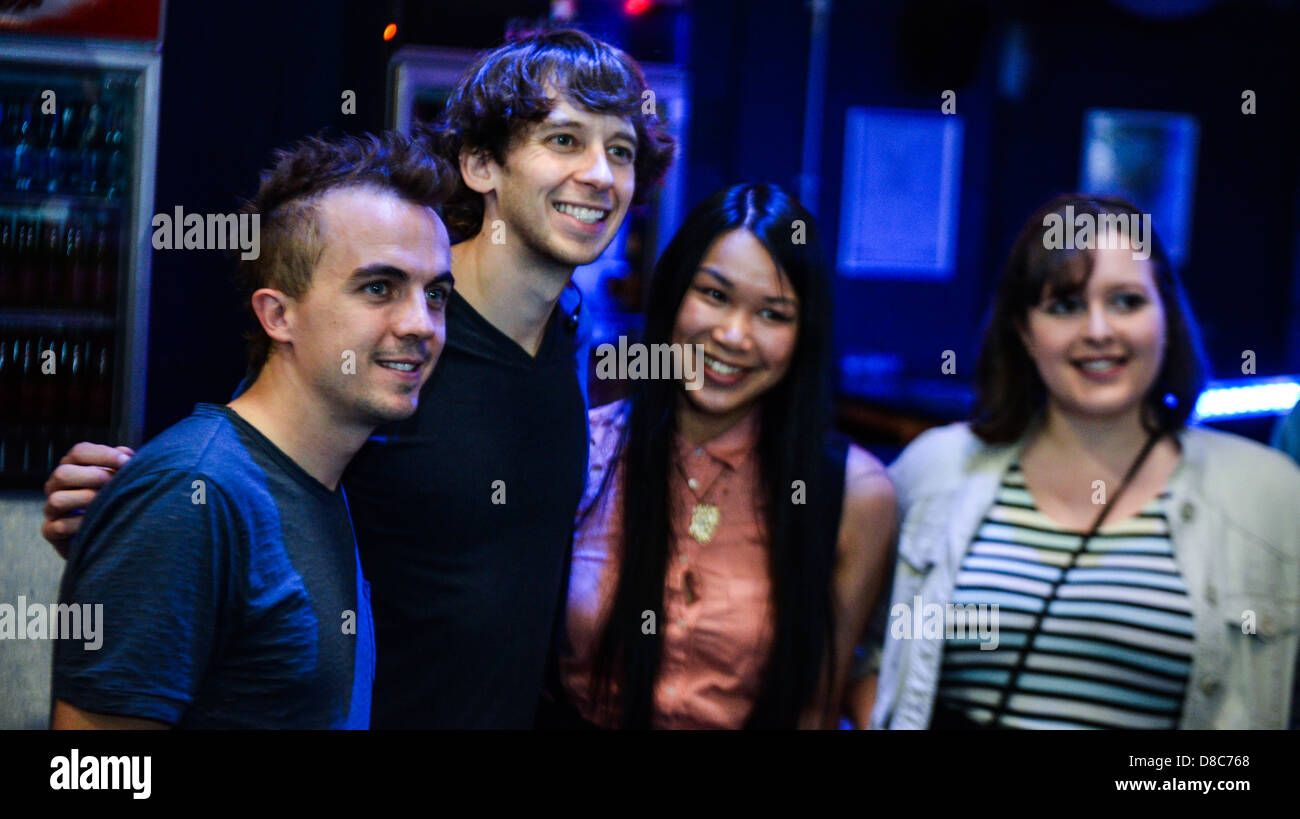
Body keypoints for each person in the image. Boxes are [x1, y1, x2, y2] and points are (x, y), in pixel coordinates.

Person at [41, 29, 675, 729]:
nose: (600, 173)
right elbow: (246, 472)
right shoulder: (383, 349)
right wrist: (152, 524)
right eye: (563, 140)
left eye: (620, 149)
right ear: (480, 163)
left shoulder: (562, 340)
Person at [51, 131, 456, 728]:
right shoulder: (195, 493)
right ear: (278, 314)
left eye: (436, 294)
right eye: (379, 288)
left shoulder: (316, 478)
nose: (421, 323)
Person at [868, 194, 1300, 729]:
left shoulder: (1269, 497)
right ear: (1024, 331)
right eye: (1066, 305)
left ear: (1166, 316)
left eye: (1126, 301)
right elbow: (865, 656)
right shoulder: (934, 472)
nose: (1099, 330)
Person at [550, 183, 896, 729]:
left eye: (773, 314)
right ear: (672, 296)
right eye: (713, 295)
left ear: (803, 335)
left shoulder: (853, 494)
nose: (734, 335)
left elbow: (815, 709)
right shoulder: (583, 449)